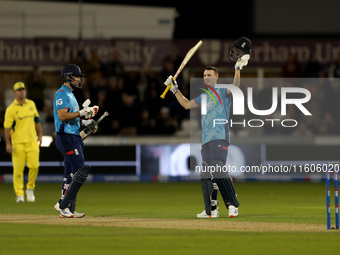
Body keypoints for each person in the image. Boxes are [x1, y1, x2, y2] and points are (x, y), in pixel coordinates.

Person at [163, 37, 251, 218]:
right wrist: (174, 89)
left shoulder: (223, 90)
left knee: (218, 168)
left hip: (220, 137)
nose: (206, 77)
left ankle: (233, 205)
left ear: (216, 77)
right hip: (206, 140)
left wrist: (237, 69)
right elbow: (186, 105)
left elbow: (235, 87)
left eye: (209, 75)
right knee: (206, 174)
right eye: (204, 75)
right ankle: (212, 210)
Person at [53, 64, 99, 218]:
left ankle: (68, 207)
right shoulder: (61, 94)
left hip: (73, 137)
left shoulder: (71, 95)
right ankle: (63, 205)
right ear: (67, 77)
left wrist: (87, 124)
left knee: (70, 171)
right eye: (76, 76)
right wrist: (81, 112)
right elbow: (63, 116)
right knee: (80, 168)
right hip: (65, 137)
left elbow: (73, 120)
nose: (80, 79)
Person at [4, 81, 42, 202]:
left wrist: (40, 135)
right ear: (15, 92)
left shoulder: (31, 104)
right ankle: (19, 194)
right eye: (19, 90)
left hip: (31, 141)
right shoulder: (11, 109)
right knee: (18, 170)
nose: (22, 91)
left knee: (34, 166)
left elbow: (37, 120)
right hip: (18, 143)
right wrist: (8, 143)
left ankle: (30, 188)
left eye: (23, 89)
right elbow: (7, 128)